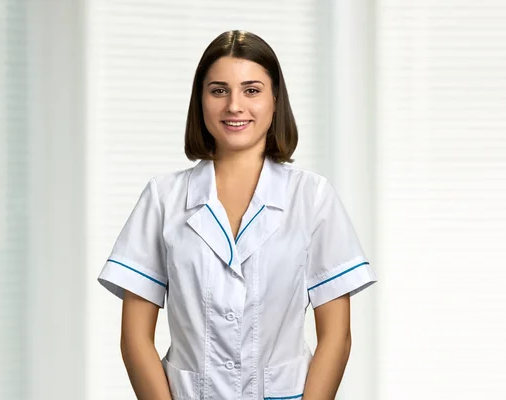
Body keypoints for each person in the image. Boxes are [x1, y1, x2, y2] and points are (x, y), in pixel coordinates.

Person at [97, 30, 378, 400]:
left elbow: (336, 337)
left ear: (275, 100)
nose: (234, 106)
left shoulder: (312, 198)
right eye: (218, 90)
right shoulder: (163, 199)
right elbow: (134, 338)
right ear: (201, 101)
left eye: (251, 90)